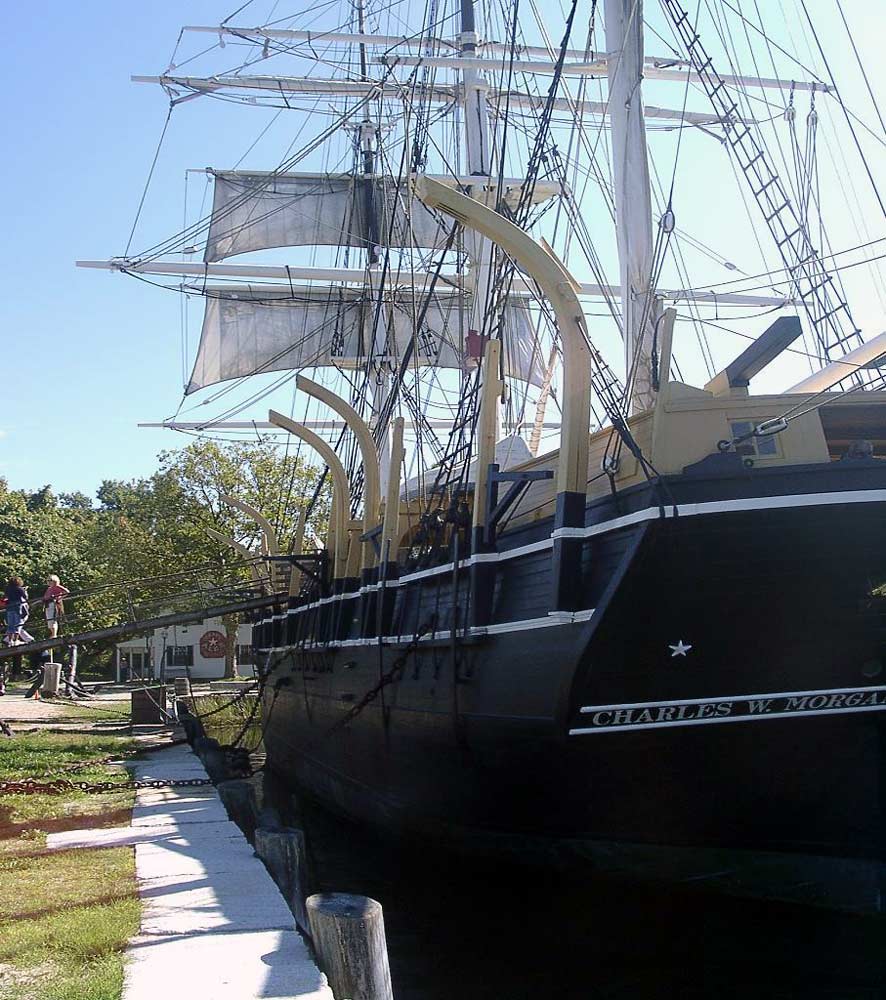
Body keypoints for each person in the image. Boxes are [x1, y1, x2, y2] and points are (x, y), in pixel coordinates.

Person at [4, 577, 34, 644]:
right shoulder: (19, 588)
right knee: (18, 624)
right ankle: (15, 640)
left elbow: (6, 597)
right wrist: (25, 591)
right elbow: (25, 597)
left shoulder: (7, 589)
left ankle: (10, 641)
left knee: (11, 624)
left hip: (9, 607)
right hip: (18, 607)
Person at [43, 574, 70, 639]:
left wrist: (59, 598)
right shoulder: (49, 589)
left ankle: (54, 634)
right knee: (49, 620)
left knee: (53, 619)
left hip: (53, 604)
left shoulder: (57, 586)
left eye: (50, 580)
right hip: (48, 605)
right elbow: (45, 597)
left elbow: (67, 592)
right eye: (48, 580)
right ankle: (53, 634)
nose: (48, 582)